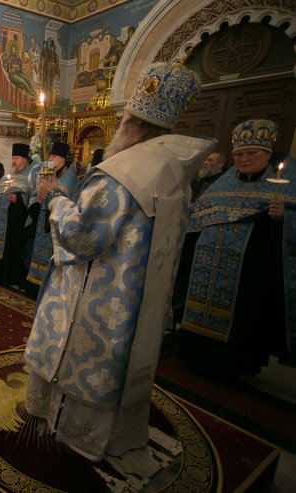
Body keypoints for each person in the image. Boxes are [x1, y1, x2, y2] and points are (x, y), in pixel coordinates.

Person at [24, 61, 215, 461]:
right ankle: (110, 436)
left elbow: (81, 235)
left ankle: (71, 429)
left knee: (83, 358)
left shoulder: (121, 173)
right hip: (140, 299)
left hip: (100, 293)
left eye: (122, 118)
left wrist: (53, 197)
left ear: (132, 126)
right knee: (120, 364)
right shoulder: (173, 170)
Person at [176, 119, 294, 378]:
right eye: (239, 154)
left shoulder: (282, 189)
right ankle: (194, 356)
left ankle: (233, 366)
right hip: (206, 269)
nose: (244, 159)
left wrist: (283, 218)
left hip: (250, 275)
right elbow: (197, 220)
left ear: (268, 155)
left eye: (252, 153)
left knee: (244, 316)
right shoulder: (221, 186)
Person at [26, 142, 76, 290]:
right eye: (50, 156)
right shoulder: (46, 173)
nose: (50, 158)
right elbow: (35, 193)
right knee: (37, 250)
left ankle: (49, 285)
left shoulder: (69, 177)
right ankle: (34, 284)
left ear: (63, 159)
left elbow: (68, 197)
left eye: (54, 156)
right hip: (41, 218)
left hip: (56, 220)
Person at [0, 143, 33, 287]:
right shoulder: (10, 174)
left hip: (15, 220)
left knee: (10, 248)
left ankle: (10, 276)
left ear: (25, 160)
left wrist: (18, 199)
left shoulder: (30, 176)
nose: (14, 161)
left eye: (17, 158)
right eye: (13, 158)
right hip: (0, 218)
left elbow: (33, 197)